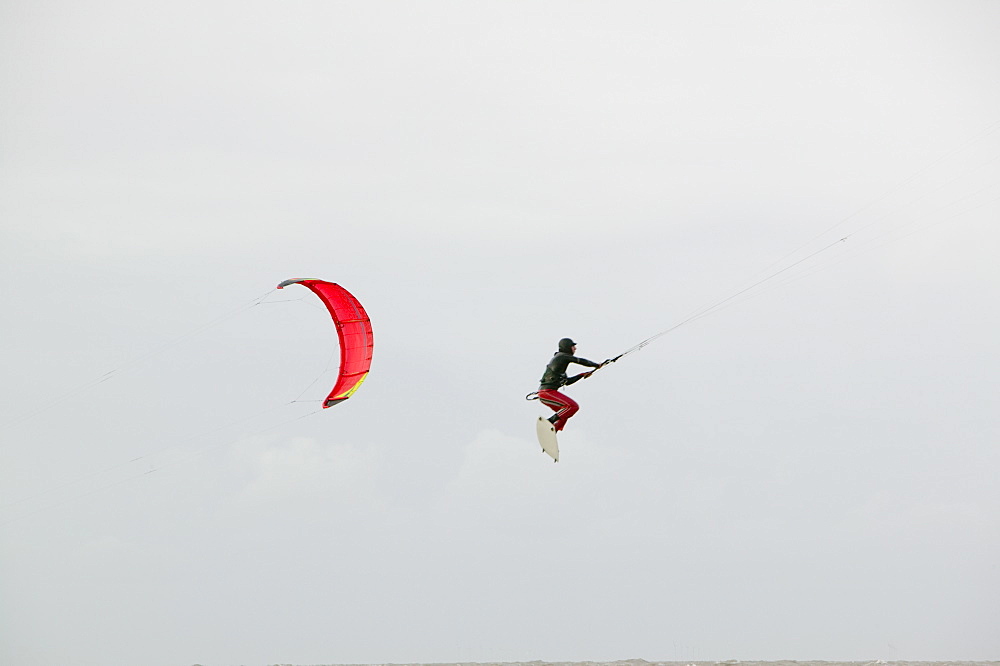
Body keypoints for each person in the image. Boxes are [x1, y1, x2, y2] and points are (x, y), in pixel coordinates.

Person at [537, 338, 605, 432]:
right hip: (547, 393)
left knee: (565, 414)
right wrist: (596, 365)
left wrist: (581, 375)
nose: (575, 348)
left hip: (548, 393)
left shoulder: (561, 366)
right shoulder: (561, 357)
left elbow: (568, 382)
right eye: (573, 346)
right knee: (572, 406)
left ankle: (553, 431)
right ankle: (549, 422)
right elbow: (580, 360)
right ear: (567, 347)